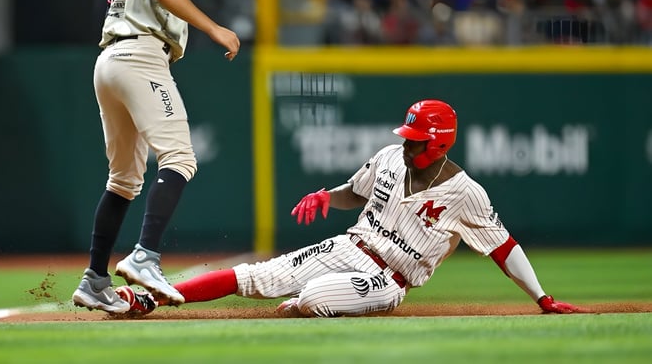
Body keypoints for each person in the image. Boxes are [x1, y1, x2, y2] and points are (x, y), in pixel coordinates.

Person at [118, 99, 582, 317]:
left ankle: (302, 308)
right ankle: (150, 297)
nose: (408, 147)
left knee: (314, 300)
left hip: (388, 279)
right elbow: (353, 192)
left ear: (440, 144)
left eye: (418, 142)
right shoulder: (388, 156)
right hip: (348, 246)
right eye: (408, 138)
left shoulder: (465, 193)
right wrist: (327, 196)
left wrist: (541, 298)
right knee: (256, 276)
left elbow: (504, 248)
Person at [71, 0, 241, 314]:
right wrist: (214, 28)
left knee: (123, 180)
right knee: (180, 158)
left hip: (109, 59)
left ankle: (94, 279)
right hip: (141, 56)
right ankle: (145, 256)